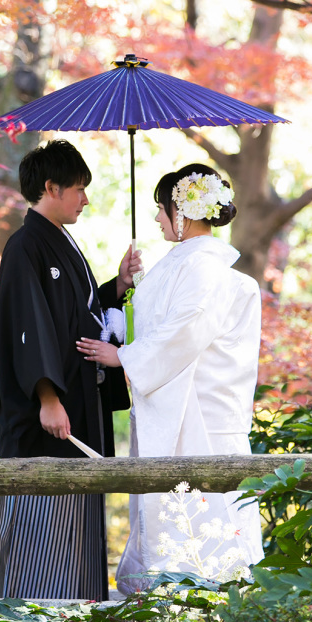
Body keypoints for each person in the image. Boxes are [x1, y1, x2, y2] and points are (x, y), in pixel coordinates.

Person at [77, 163, 264, 593]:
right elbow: (164, 327)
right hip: (179, 402)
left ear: (182, 213)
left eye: (162, 210)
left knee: (203, 514)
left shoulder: (204, 267)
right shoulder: (188, 263)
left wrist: (123, 357)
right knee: (178, 507)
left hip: (200, 411)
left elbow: (185, 329)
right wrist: (129, 293)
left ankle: (192, 599)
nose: (158, 219)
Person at [0, 139, 140, 601]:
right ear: (51, 188)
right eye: (78, 189)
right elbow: (27, 328)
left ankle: (78, 615)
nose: (86, 199)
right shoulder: (25, 246)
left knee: (77, 520)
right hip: (50, 414)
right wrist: (48, 398)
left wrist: (117, 285)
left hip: (78, 405)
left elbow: (78, 316)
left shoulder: (60, 241)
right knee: (45, 523)